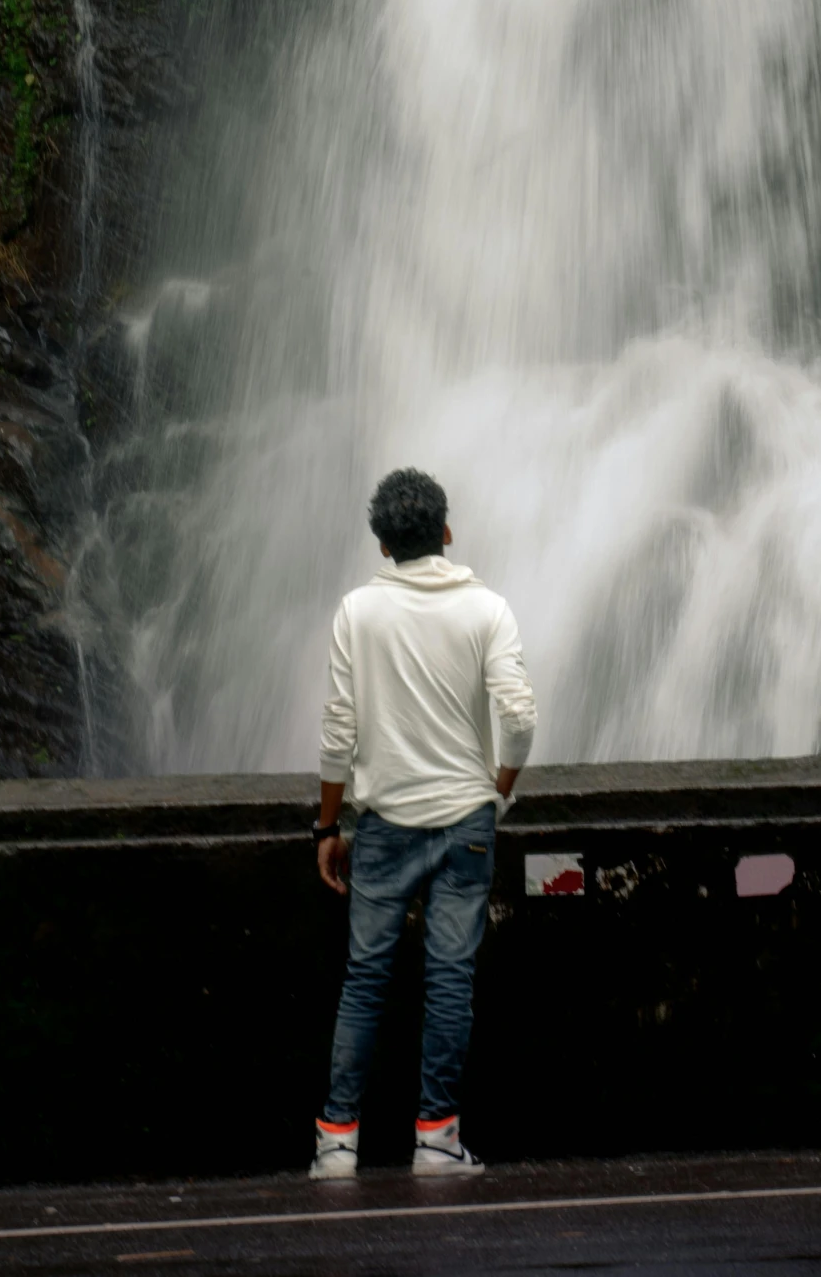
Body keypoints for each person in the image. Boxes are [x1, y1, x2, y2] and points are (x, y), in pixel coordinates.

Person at [310, 467, 537, 1180]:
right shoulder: (488, 609)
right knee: (449, 980)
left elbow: (337, 730)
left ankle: (336, 1142)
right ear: (446, 530)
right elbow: (520, 716)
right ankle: (436, 1138)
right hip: (465, 820)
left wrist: (326, 827)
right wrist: (497, 786)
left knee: (365, 980)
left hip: (383, 823)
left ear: (382, 545)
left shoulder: (357, 612)